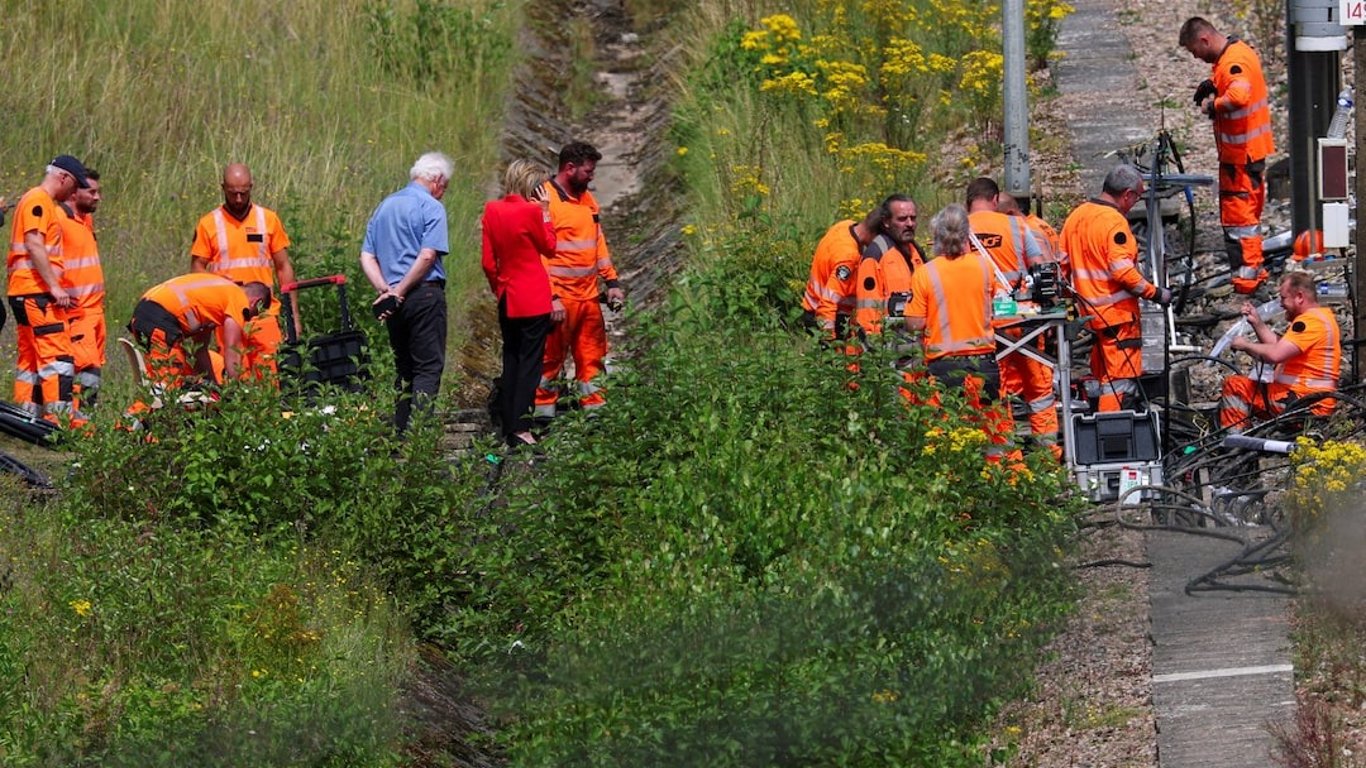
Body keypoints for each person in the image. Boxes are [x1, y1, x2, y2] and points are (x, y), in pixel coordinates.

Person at [906, 203, 1015, 463]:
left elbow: (914, 323)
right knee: (993, 435)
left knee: (948, 437)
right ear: (966, 235)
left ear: (937, 237)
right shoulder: (984, 268)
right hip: (984, 365)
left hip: (944, 367)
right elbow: (999, 303)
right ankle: (999, 487)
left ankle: (955, 492)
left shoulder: (925, 273)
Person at [1059, 165, 1173, 412]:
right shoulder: (1113, 222)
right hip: (1117, 317)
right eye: (1138, 196)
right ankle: (1114, 436)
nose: (1136, 202)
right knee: (1120, 381)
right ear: (1127, 194)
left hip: (1093, 316)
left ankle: (1098, 429)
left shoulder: (1077, 217)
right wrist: (1156, 293)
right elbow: (1123, 272)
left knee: (1104, 377)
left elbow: (1062, 267)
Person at [1180, 16, 1275, 295]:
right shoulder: (1236, 54)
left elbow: (1239, 95)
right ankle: (1254, 273)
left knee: (1239, 221)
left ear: (1204, 39)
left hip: (1240, 158)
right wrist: (1213, 83)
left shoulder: (1234, 61)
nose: (1195, 56)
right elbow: (1234, 80)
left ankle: (1247, 283)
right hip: (1248, 155)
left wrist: (1213, 105)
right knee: (1248, 219)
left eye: (1193, 50)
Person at [360, 151, 453, 433]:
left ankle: (400, 431)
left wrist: (386, 291)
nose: (443, 194)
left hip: (393, 303)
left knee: (405, 367)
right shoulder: (431, 208)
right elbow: (427, 256)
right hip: (423, 294)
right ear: (436, 179)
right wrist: (400, 290)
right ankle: (418, 437)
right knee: (428, 367)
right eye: (444, 187)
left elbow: (367, 255)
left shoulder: (385, 205)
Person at [966, 178, 1058, 455]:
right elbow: (1042, 268)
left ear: (968, 200)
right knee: (1039, 391)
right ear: (995, 200)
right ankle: (1047, 459)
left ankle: (1004, 463)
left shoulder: (959, 230)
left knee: (994, 392)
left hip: (981, 325)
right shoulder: (1017, 226)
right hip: (1023, 322)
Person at [534, 141, 624, 420]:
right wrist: (550, 297)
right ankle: (541, 416)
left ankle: (595, 412)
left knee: (592, 357)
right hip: (559, 300)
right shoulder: (543, 200)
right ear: (569, 168)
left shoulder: (587, 200)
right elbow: (539, 254)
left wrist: (612, 283)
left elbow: (598, 243)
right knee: (549, 360)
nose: (592, 176)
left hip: (587, 298)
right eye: (588, 171)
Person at [190, 163, 298, 379]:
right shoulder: (208, 224)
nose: (238, 199)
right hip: (228, 316)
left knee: (270, 376)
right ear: (223, 188)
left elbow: (283, 267)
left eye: (243, 193)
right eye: (232, 193)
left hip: (264, 314)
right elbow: (196, 269)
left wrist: (294, 315)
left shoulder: (268, 219)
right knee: (236, 377)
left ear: (251, 187)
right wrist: (217, 282)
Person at [7, 155, 89, 423]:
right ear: (63, 177)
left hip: (25, 291)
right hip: (36, 292)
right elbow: (34, 243)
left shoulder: (35, 200)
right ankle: (57, 424)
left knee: (30, 358)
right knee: (57, 357)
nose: (74, 192)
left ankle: (24, 417)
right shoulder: (38, 200)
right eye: (74, 185)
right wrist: (55, 287)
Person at [481, 159, 556, 447]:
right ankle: (521, 426)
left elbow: (488, 263)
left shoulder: (492, 210)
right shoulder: (532, 212)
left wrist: (499, 289)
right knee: (530, 363)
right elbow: (550, 246)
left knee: (511, 358)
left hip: (507, 295)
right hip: (533, 297)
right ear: (533, 187)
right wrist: (546, 213)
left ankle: (508, 421)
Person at [1219, 271, 1341, 430]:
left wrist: (1246, 345)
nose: (1281, 304)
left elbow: (1276, 354)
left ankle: (1233, 442)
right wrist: (1257, 323)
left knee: (1234, 386)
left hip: (1304, 402)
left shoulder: (1310, 322)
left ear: (1299, 297)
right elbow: (1281, 346)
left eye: (1283, 298)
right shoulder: (1320, 317)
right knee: (1249, 387)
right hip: (1308, 399)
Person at [128, 273, 272, 385]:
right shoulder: (239, 299)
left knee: (165, 385)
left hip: (146, 314)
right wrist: (236, 391)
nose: (246, 319)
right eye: (251, 315)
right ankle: (126, 424)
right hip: (160, 322)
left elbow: (199, 350)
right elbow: (232, 350)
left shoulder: (219, 296)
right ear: (256, 302)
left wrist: (212, 385)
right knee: (167, 388)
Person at [60, 168, 105, 414]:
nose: (97, 197)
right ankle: (79, 425)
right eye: (92, 192)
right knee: (85, 367)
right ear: (74, 193)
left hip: (95, 310)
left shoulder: (85, 220)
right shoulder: (60, 220)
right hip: (78, 310)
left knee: (93, 367)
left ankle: (83, 423)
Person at [852, 194, 925, 341]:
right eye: (902, 219)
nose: (909, 224)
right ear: (886, 222)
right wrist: (874, 349)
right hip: (889, 348)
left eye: (913, 218)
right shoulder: (876, 255)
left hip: (915, 345)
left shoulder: (915, 251)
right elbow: (868, 311)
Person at [800, 207, 881, 336]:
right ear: (875, 235)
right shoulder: (849, 258)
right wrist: (829, 342)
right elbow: (828, 303)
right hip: (825, 319)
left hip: (812, 307)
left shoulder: (845, 225)